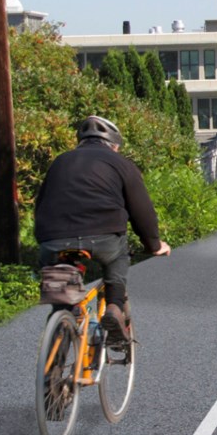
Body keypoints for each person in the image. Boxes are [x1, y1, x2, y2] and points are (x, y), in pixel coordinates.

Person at [35, 116, 171, 341]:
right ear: (114, 145)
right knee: (118, 256)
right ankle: (115, 309)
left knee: (62, 301)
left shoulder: (60, 161)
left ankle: (61, 334)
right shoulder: (121, 164)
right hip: (104, 236)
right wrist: (154, 244)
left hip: (53, 238)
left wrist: (45, 238)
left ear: (80, 142)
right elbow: (142, 211)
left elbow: (40, 205)